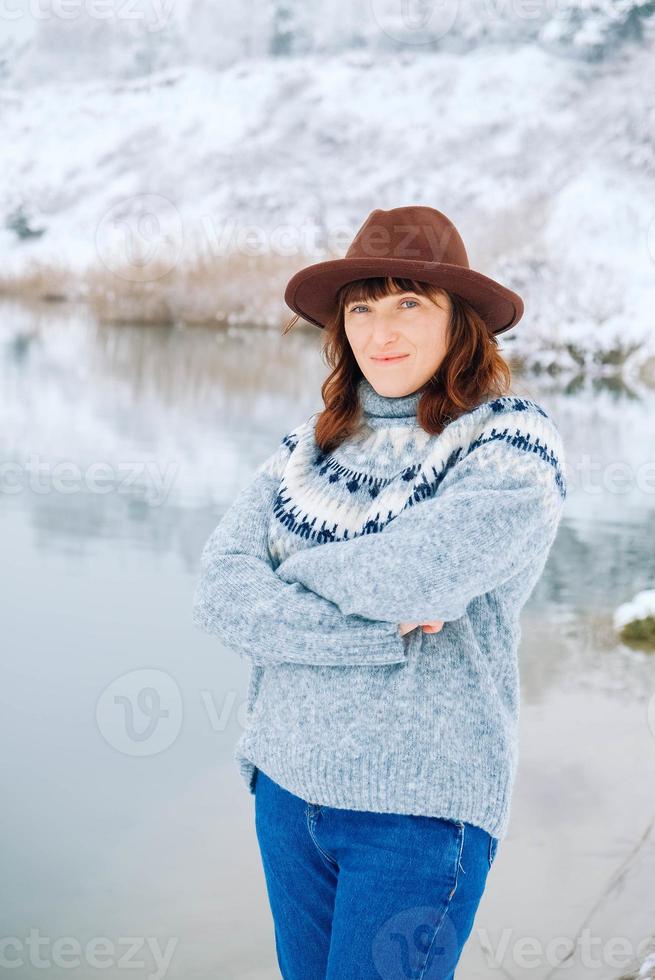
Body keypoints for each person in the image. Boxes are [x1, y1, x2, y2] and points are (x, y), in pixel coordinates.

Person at [192, 205, 567, 979]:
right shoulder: (308, 446)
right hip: (287, 792)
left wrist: (287, 570)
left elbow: (419, 576)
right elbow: (220, 593)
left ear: (458, 321)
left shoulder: (510, 442)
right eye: (360, 307)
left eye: (408, 304)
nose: (379, 329)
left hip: (418, 812)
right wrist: (375, 629)